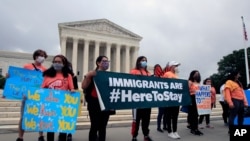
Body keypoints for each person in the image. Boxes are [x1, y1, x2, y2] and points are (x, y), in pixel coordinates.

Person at [16, 49, 47, 141]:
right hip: (27, 96)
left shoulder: (45, 70)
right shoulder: (27, 66)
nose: (42, 57)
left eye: (43, 56)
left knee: (41, 116)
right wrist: (10, 77)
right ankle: (20, 137)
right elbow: (20, 78)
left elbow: (46, 82)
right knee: (23, 116)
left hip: (40, 96)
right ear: (35, 56)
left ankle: (41, 135)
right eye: (40, 55)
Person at [42, 54, 74, 141]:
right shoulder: (47, 75)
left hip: (62, 105)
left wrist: (72, 92)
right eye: (55, 62)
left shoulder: (68, 76)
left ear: (64, 63)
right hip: (50, 105)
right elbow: (42, 90)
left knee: (62, 129)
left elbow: (71, 89)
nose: (57, 63)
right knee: (50, 129)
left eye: (59, 62)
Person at [82, 55, 111, 141]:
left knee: (103, 127)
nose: (106, 63)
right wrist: (88, 76)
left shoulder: (109, 75)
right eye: (104, 61)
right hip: (94, 103)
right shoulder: (92, 74)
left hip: (106, 103)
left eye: (107, 61)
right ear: (98, 63)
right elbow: (84, 86)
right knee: (94, 126)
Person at [130, 56, 153, 141]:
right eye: (142, 60)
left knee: (146, 120)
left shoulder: (148, 73)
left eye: (145, 61)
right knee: (136, 120)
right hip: (137, 101)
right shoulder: (134, 71)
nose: (144, 62)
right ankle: (134, 136)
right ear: (138, 61)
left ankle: (146, 135)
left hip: (147, 101)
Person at [162, 61, 181, 139]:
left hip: (175, 98)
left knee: (175, 116)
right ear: (171, 66)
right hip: (169, 98)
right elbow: (163, 84)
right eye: (175, 65)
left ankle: (175, 131)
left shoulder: (176, 75)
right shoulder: (167, 74)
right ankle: (170, 132)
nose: (176, 67)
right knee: (169, 116)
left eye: (177, 66)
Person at [65, 62, 79, 141]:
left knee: (69, 117)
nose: (69, 67)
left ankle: (69, 133)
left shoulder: (74, 77)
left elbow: (76, 88)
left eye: (70, 66)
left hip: (70, 99)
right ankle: (62, 133)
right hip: (61, 99)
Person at [187, 70, 203, 135]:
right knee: (194, 114)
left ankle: (195, 128)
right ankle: (194, 129)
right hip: (192, 98)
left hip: (199, 98)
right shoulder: (190, 82)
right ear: (192, 74)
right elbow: (187, 90)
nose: (197, 75)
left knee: (196, 114)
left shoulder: (199, 83)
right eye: (195, 74)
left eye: (198, 74)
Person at [153, 64, 165, 133]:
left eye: (159, 68)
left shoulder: (163, 77)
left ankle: (164, 126)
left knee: (164, 113)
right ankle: (158, 127)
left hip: (164, 97)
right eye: (157, 68)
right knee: (160, 113)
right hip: (159, 97)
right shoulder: (153, 77)